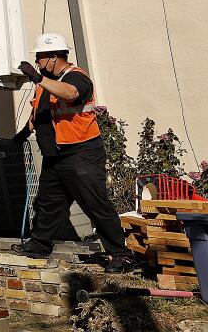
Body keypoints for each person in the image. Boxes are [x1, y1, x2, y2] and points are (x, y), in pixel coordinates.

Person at [11, 33, 133, 272]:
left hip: (81, 152)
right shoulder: (45, 82)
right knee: (48, 203)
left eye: (40, 58)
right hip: (55, 154)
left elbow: (70, 94)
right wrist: (23, 134)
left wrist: (37, 78)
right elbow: (39, 113)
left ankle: (122, 255)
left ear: (54, 57)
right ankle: (38, 246)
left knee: (95, 204)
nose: (37, 63)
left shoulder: (77, 77)